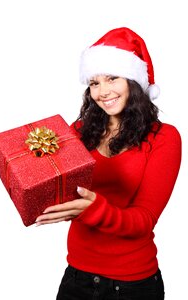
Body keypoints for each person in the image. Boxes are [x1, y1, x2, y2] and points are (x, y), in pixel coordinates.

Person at [35, 27, 181, 300]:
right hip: (76, 276)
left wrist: (92, 209)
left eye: (112, 78)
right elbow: (57, 186)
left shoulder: (164, 137)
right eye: (94, 82)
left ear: (133, 82)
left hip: (132, 285)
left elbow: (144, 219)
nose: (103, 91)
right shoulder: (78, 130)